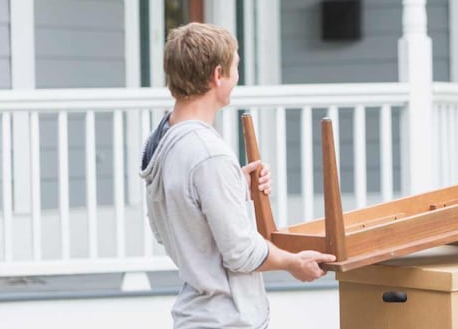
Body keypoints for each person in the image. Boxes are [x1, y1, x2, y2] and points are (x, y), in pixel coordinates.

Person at [140, 22, 335, 329]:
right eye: (235, 68)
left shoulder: (165, 143)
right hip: (226, 320)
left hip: (194, 318)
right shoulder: (208, 154)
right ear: (218, 75)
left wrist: (234, 186)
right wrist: (292, 263)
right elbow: (241, 254)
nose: (237, 78)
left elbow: (169, 228)